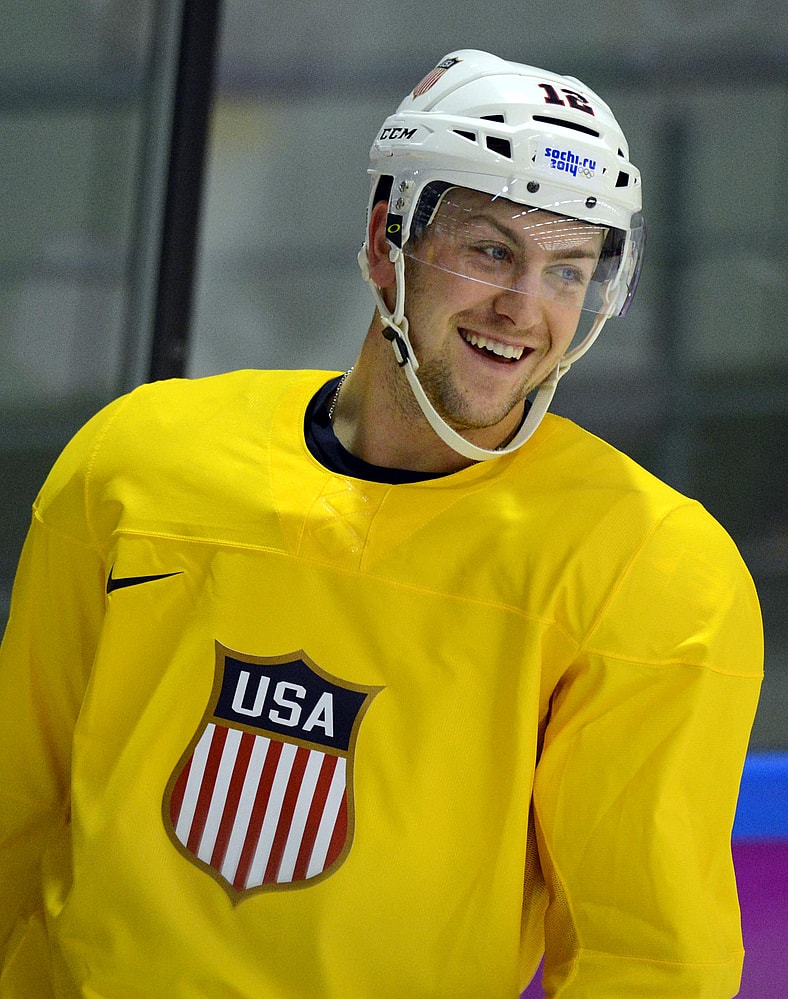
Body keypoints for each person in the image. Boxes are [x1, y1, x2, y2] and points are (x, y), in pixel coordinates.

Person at [0, 49, 762, 999]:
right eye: (490, 250)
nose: (524, 309)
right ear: (382, 242)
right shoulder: (137, 463)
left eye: (567, 271)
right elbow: (18, 809)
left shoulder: (649, 566)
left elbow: (650, 959)